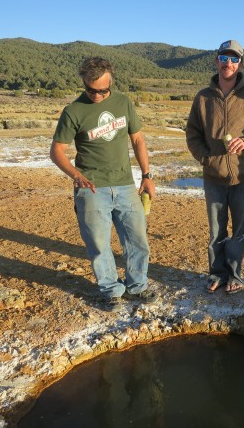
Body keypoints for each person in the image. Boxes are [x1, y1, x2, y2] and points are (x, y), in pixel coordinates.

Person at [50, 56, 158, 310]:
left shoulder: (123, 103)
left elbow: (138, 140)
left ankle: (137, 287)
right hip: (91, 189)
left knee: (137, 240)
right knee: (99, 244)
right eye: (91, 89)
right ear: (83, 83)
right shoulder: (74, 111)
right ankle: (111, 290)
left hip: (125, 185)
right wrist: (76, 175)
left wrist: (147, 175)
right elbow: (56, 152)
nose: (97, 95)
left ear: (111, 82)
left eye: (103, 90)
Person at [186, 40, 244, 294]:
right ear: (216, 62)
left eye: (234, 59)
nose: (228, 63)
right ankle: (217, 274)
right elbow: (192, 133)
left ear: (240, 64)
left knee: (240, 230)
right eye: (224, 58)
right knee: (216, 230)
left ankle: (235, 275)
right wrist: (206, 158)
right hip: (213, 176)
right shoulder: (203, 97)